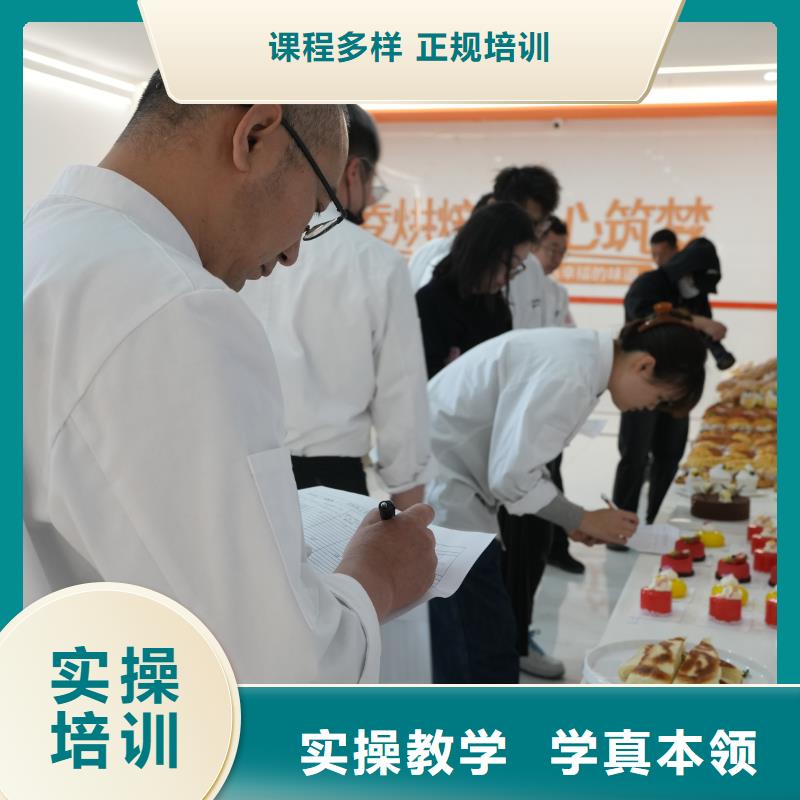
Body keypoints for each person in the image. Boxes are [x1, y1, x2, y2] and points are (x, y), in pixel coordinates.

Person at [23, 73, 437, 684]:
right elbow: (280, 668)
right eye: (314, 207)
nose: (294, 252)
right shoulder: (173, 307)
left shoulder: (39, 243)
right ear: (256, 134)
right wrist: (376, 577)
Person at [425, 308, 708, 682]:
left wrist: (572, 519)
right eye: (660, 398)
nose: (651, 408)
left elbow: (527, 460)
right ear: (644, 366)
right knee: (479, 642)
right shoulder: (571, 373)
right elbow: (511, 476)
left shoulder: (583, 361)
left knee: (482, 634)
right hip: (445, 486)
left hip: (458, 480)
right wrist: (582, 518)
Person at [241, 105, 431, 508]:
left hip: (243, 469)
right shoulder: (377, 262)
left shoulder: (237, 242)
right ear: (354, 171)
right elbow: (401, 393)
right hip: (333, 477)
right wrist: (408, 498)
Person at [611, 235, 730, 533]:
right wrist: (697, 322)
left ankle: (656, 522)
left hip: (678, 388)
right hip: (644, 383)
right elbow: (643, 321)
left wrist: (714, 345)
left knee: (670, 455)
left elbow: (702, 332)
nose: (696, 288)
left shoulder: (695, 294)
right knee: (635, 457)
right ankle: (619, 528)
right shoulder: (649, 284)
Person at [408, 166, 560, 333]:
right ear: (494, 206)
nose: (529, 232)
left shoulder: (530, 268)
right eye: (524, 220)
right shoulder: (444, 263)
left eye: (539, 225)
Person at [415, 202, 535, 378]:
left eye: (517, 267)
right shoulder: (430, 303)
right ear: (484, 251)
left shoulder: (497, 309)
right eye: (509, 264)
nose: (508, 278)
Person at [527, 215, 584, 577]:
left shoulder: (557, 293)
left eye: (563, 251)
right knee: (531, 479)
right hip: (524, 402)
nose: (557, 257)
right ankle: (546, 545)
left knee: (553, 473)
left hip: (550, 401)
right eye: (552, 248)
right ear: (534, 243)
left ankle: (556, 547)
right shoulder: (515, 285)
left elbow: (570, 340)